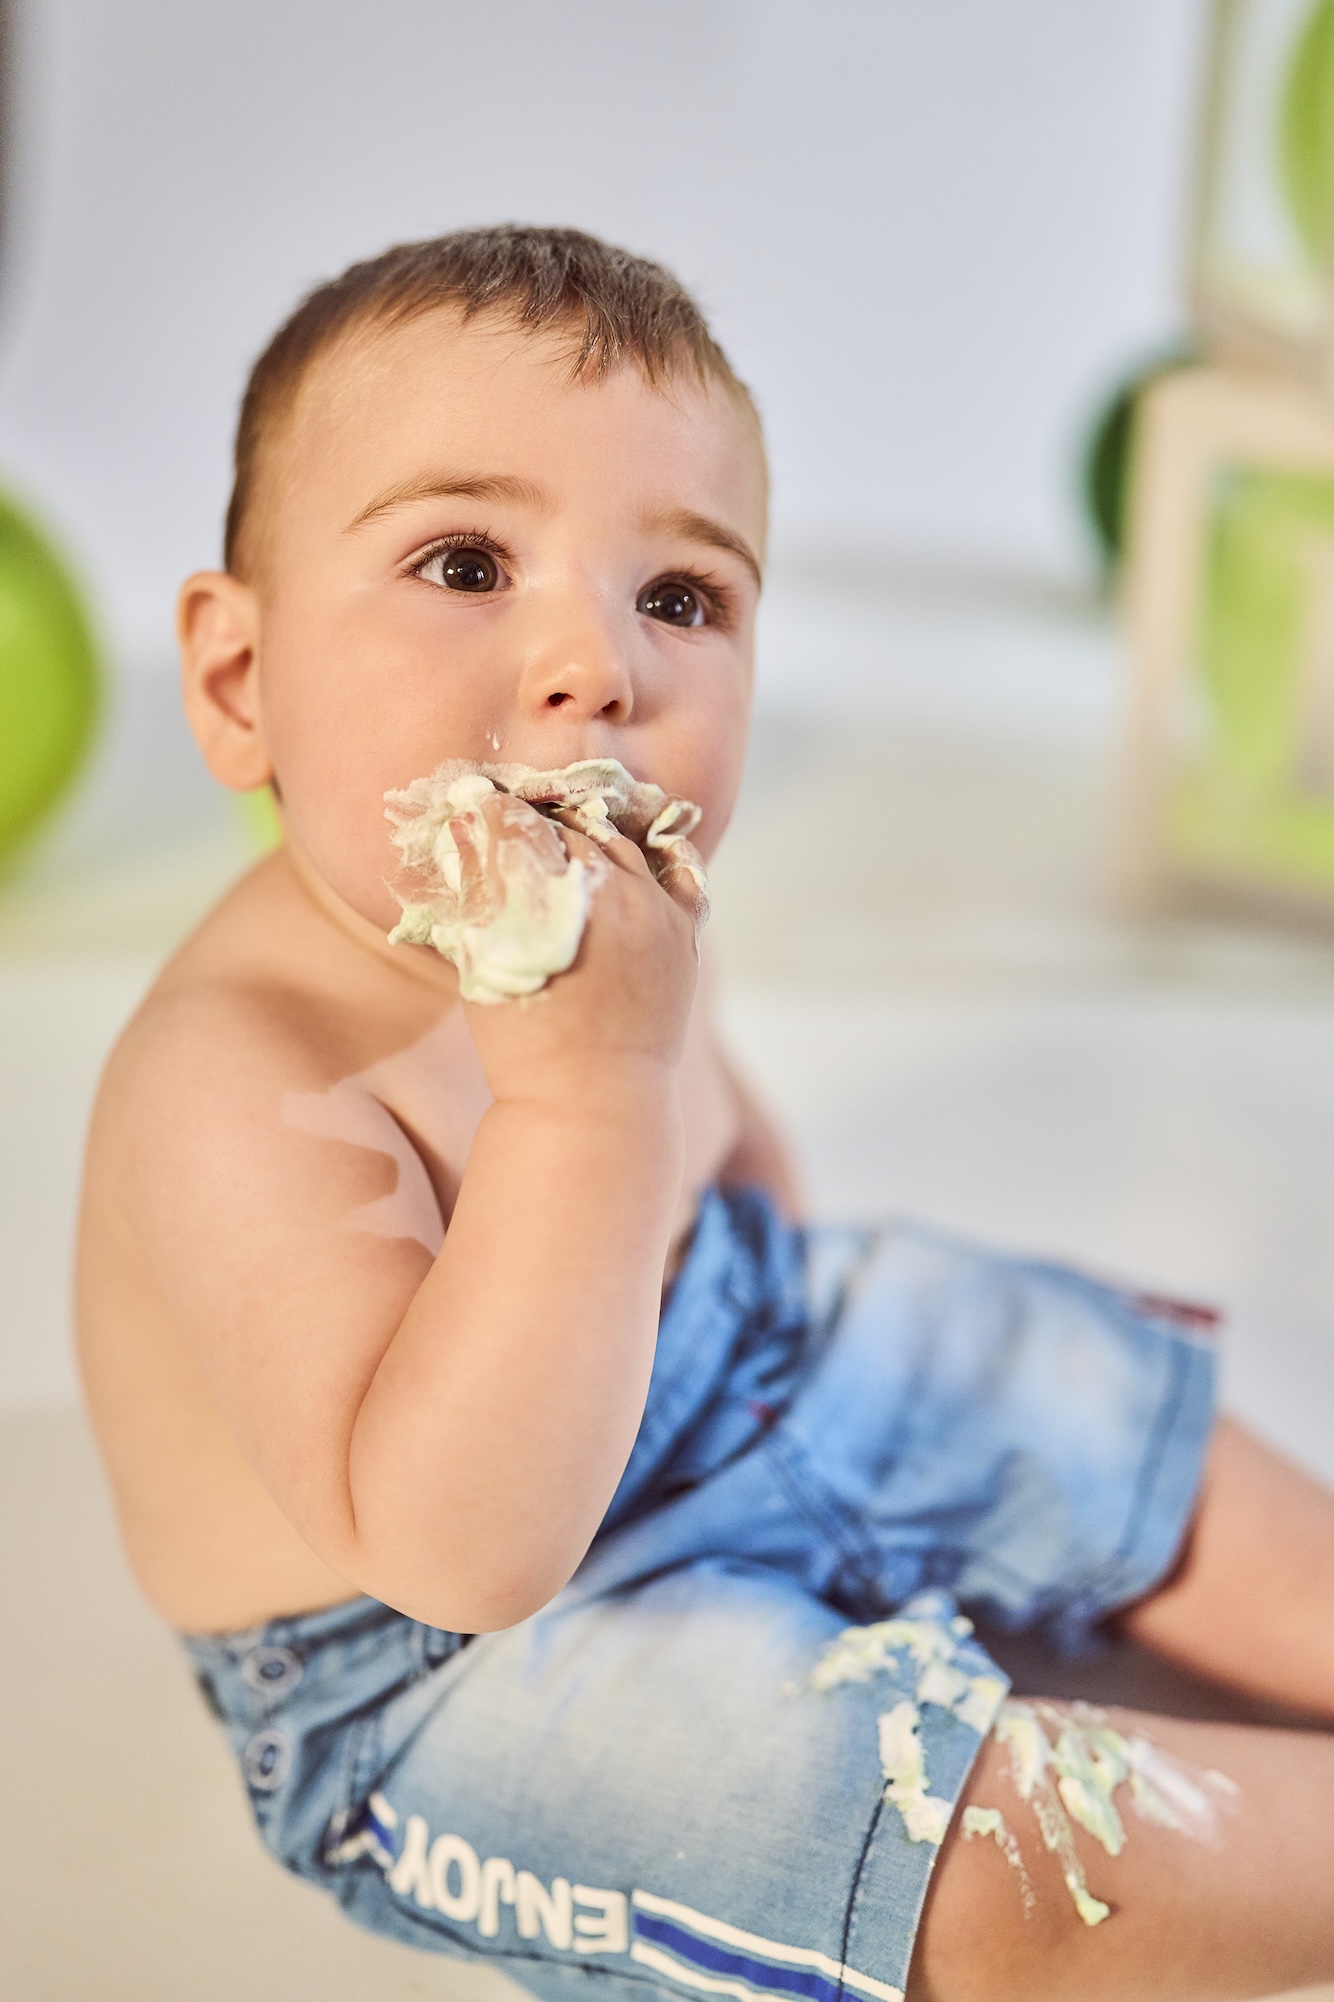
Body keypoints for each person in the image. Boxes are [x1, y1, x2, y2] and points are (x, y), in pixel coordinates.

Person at [76, 226, 1334, 2002]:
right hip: (437, 1661)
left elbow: (740, 1173)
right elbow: (459, 1550)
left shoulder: (614, 907)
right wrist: (583, 1095)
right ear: (236, 682)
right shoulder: (243, 1075)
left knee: (1030, 1371)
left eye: (680, 596)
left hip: (728, 1358)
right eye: (464, 561)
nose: (596, 664)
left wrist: (866, 1431)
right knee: (993, 1870)